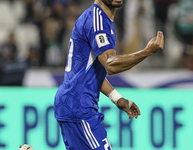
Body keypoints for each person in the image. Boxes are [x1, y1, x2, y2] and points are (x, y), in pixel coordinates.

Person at [54, 0, 164, 149]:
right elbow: (110, 65)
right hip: (79, 107)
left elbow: (91, 71)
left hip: (72, 103)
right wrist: (147, 51)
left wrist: (116, 98)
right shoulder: (97, 21)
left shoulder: (100, 18)